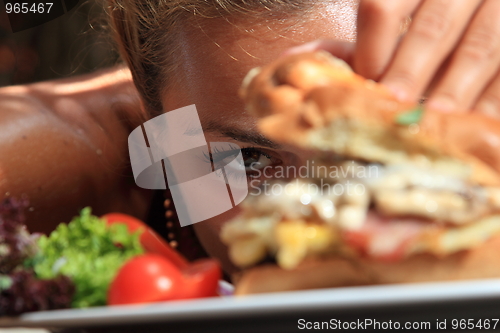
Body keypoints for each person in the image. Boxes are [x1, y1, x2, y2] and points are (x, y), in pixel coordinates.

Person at [1, 0, 500, 274]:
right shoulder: (77, 151)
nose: (326, 225)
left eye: (378, 158)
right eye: (249, 160)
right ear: (152, 121)